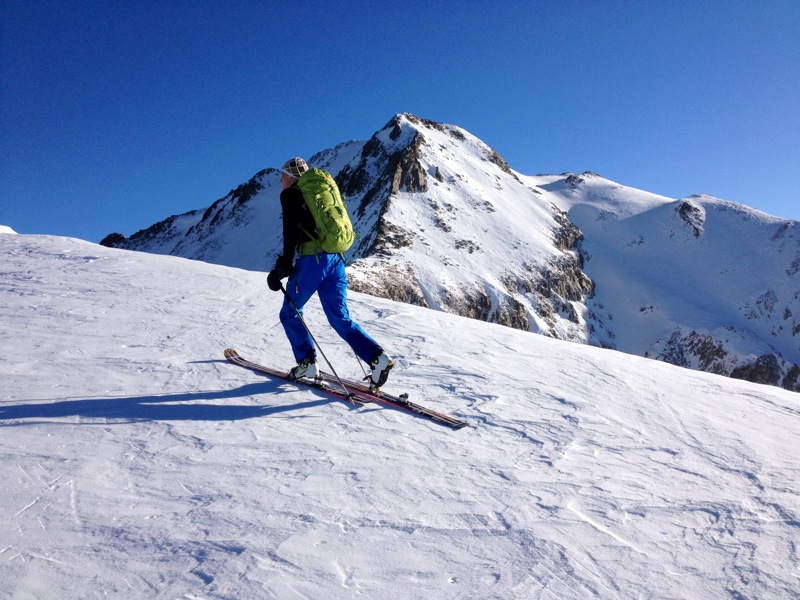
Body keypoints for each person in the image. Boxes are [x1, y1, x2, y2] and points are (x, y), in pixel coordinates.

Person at [267, 157, 394, 388]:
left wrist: (281, 268)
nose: (280, 179)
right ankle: (377, 358)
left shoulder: (291, 195)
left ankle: (307, 363)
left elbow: (290, 233)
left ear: (292, 177)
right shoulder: (319, 191)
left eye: (283, 174)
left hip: (313, 261)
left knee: (290, 312)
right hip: (336, 261)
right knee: (340, 318)